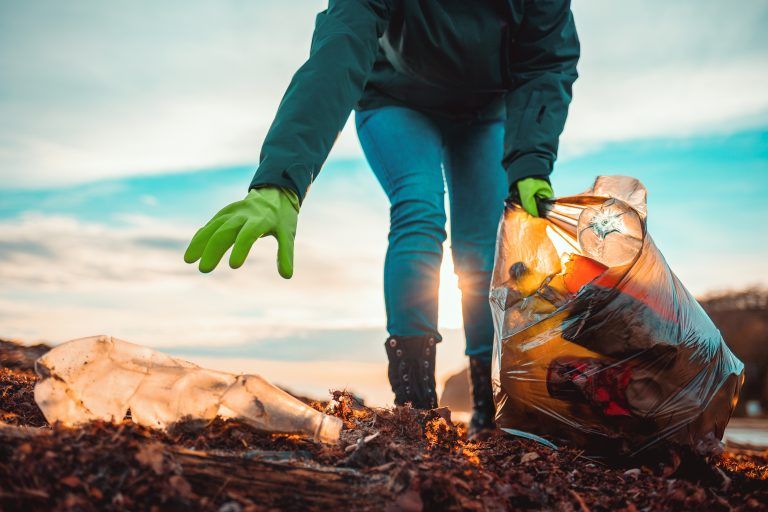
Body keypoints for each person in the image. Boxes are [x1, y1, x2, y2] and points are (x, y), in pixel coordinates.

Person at [184, 0, 579, 438]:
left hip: (487, 112)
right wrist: (284, 178)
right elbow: (341, 45)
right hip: (396, 99)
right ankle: (416, 407)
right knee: (419, 209)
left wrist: (530, 164)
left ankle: (489, 404)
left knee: (484, 248)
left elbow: (547, 61)